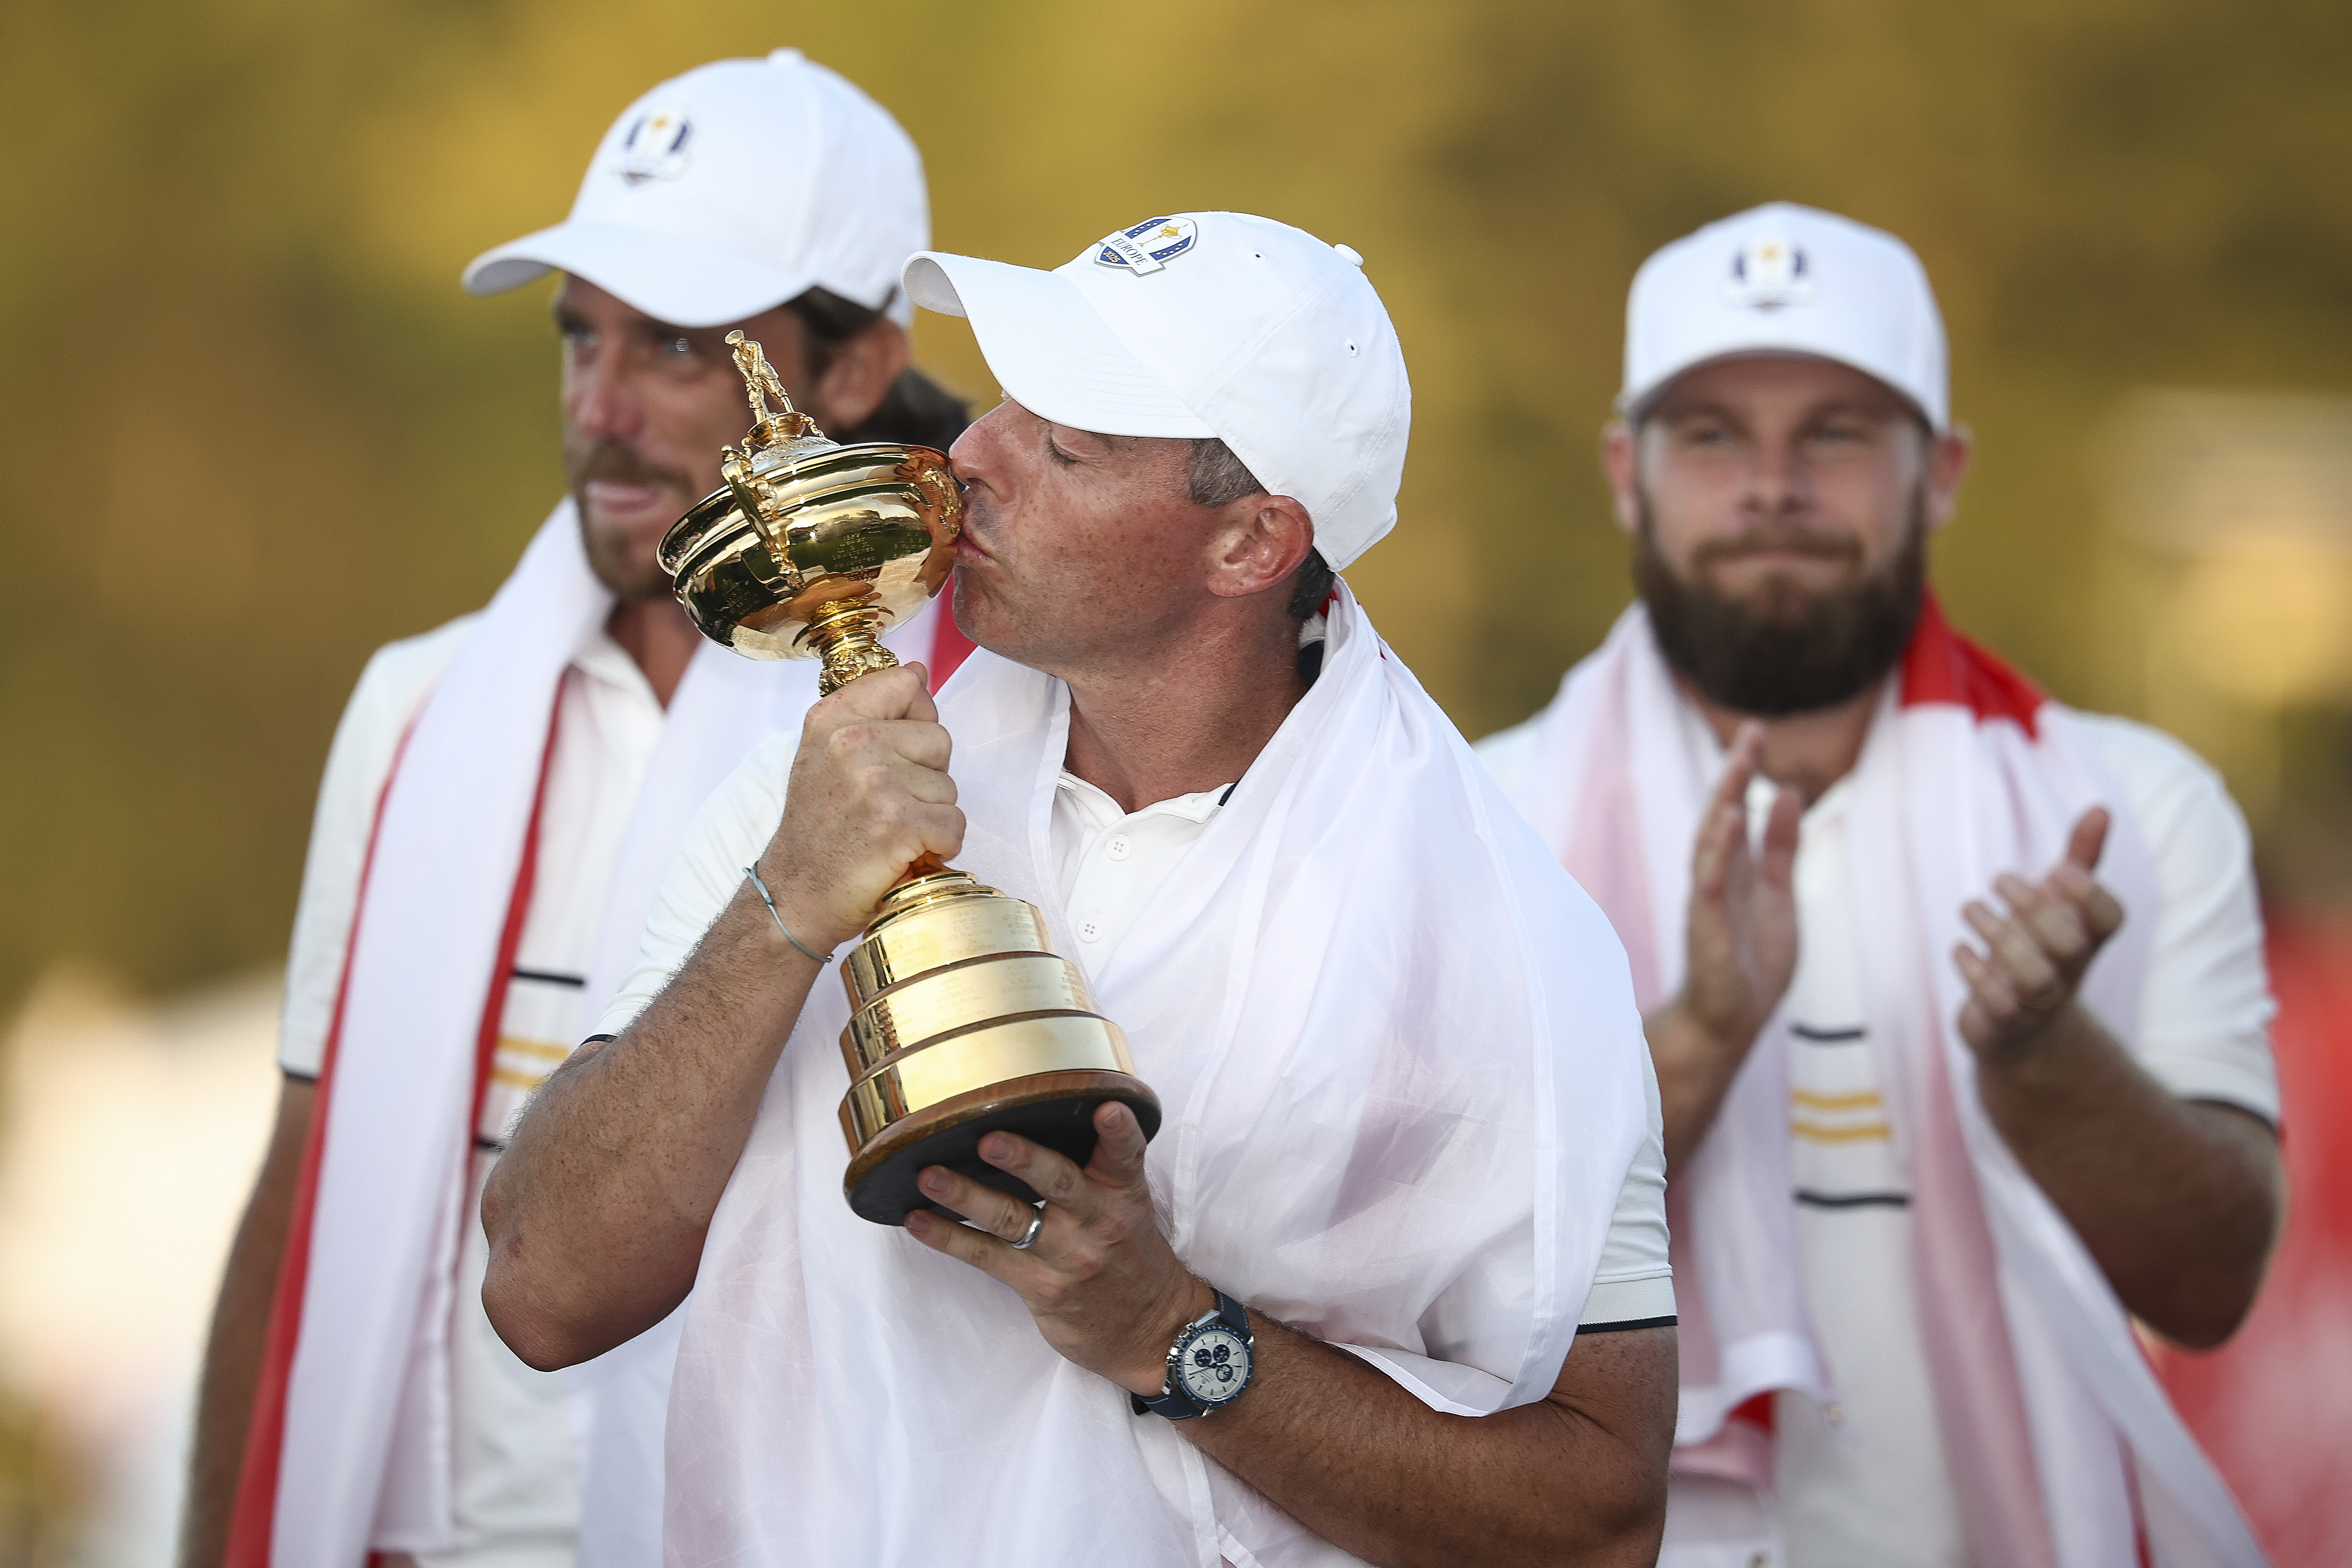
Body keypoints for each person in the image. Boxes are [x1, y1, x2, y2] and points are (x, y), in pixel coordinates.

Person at [479, 211, 1678, 1567]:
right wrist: (786, 910)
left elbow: (1601, 1516)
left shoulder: (1502, 940)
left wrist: (1178, 1336)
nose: (967, 456)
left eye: (1064, 445)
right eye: (999, 401)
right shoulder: (812, 793)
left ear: (1249, 544)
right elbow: (541, 1289)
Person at [181, 51, 971, 1568]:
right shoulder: (417, 715)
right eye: (578, 338)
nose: (600, 409)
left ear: (864, 365)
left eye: (676, 345)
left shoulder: (976, 714)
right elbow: (300, 1196)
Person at [1477, 201, 2285, 1567]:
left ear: (1944, 470)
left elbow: (2211, 1285)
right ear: (1626, 469)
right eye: (1713, 433)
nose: (1774, 486)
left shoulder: (2131, 807)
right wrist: (1702, 1039)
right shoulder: (1484, 813)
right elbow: (1425, 1286)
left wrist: (2045, 1058)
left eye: (1838, 433)